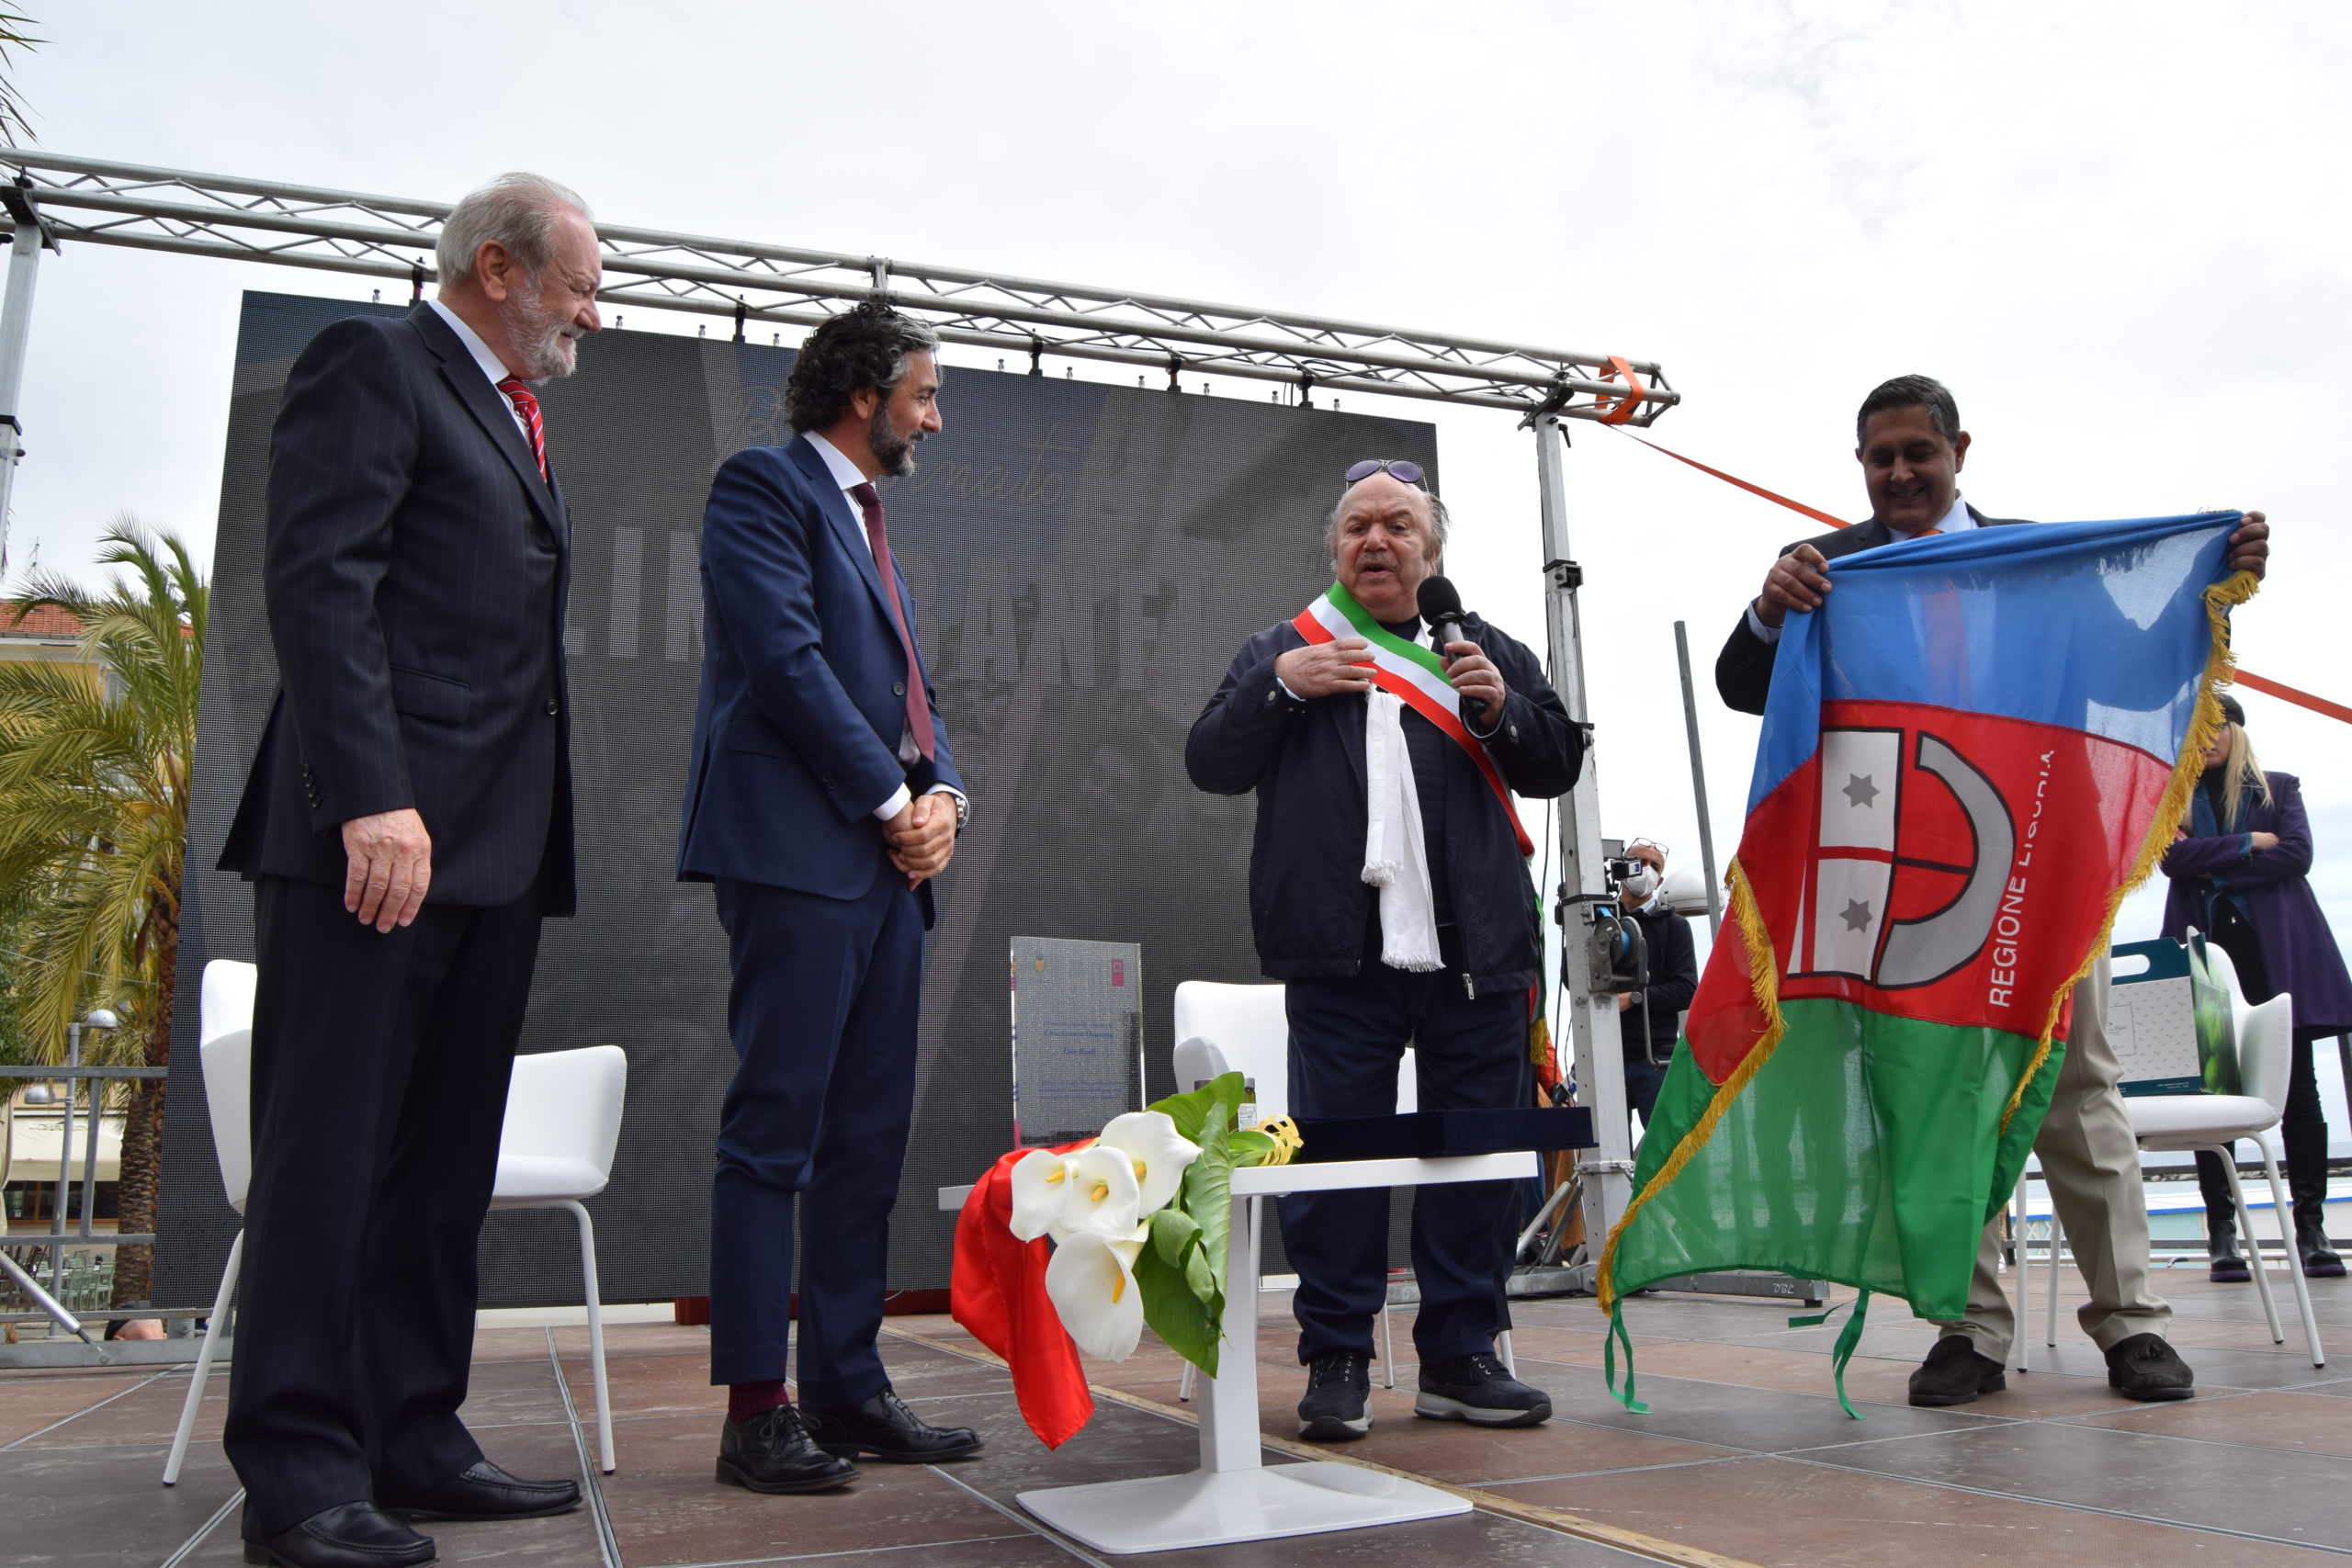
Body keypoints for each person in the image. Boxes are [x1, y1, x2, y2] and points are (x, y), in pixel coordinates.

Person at [1713, 374, 2272, 1408]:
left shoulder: (2038, 564)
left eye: (1916, 454)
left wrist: (2215, 579)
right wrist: (1765, 610)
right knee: (1930, 1095)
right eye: (1879, 458)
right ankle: (1966, 1329)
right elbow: (1742, 685)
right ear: (1859, 465)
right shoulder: (1825, 569)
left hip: (2044, 865)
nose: (1899, 474)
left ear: (1959, 451)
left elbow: (2138, 670)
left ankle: (2133, 1323)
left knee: (2079, 1085)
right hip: (1902, 875)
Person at [217, 173, 600, 1568]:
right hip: (375, 844)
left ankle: (414, 1433)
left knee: (440, 1169)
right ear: (499, 267)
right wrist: (371, 796)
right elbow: (322, 580)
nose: (593, 315)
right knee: (327, 1160)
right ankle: (300, 1472)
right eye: (580, 286)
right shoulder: (375, 363)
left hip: (493, 853)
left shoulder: (513, 414)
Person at [1186, 460, 1583, 1442]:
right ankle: (1337, 1356)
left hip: (1476, 953)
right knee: (1334, 1159)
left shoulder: (1484, 649)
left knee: (1477, 1160)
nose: (1376, 540)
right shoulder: (1285, 647)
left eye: (1398, 525)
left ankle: (1460, 1355)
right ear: (1334, 547)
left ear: (1431, 549)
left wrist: (1502, 708)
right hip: (1338, 955)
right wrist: (1278, 689)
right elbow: (1211, 761)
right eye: (1357, 525)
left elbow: (1555, 764)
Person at [675, 301, 981, 1495]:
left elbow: (912, 693)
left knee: (866, 1139)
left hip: (887, 873)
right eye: (924, 394)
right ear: (865, 395)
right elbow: (784, 661)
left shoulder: (871, 521)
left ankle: (848, 1387)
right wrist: (890, 799)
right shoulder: (763, 486)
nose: (934, 419)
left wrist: (944, 792)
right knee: (776, 1135)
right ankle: (758, 1408)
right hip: (797, 856)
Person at [2163, 693, 2352, 1280]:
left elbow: (2296, 855)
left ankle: (2312, 1227)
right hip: (2208, 960)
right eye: (2198, 730)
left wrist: (2209, 861)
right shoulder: (2174, 798)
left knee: (2300, 1091)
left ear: (2238, 730)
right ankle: (2223, 1234)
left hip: (2279, 957)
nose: (2209, 739)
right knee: (2212, 1096)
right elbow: (2172, 863)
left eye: (2218, 727)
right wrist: (2249, 844)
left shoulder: (2279, 788)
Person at [1615, 840, 1698, 1131]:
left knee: (1664, 1146)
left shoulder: (1674, 926)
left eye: (1655, 866)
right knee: (1604, 1150)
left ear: (1660, 880)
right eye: (1641, 863)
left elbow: (1686, 989)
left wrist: (1634, 998)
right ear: (1622, 870)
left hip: (1655, 1058)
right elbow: (1571, 977)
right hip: (1605, 1056)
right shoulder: (1598, 920)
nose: (1648, 870)